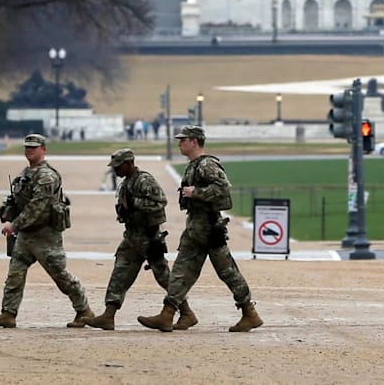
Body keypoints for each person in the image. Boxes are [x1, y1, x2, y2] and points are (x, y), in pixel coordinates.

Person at [137, 125, 262, 333]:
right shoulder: (194, 165)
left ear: (194, 141)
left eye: (183, 139)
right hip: (197, 227)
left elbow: (223, 190)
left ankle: (249, 312)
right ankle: (169, 314)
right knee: (182, 269)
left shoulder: (206, 165)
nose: (179, 143)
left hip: (208, 226)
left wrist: (197, 192)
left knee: (226, 271)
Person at [0, 133, 93, 329]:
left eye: (33, 148)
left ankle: (84, 310)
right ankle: (8, 313)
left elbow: (37, 207)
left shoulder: (46, 176)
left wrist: (14, 225)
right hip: (26, 235)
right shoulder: (26, 174)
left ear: (43, 149)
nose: (29, 151)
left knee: (60, 275)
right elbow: (20, 201)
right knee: (15, 273)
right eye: (27, 147)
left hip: (46, 235)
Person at [86, 149, 193, 331]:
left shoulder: (144, 180)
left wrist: (134, 203)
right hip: (132, 236)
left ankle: (186, 313)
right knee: (120, 272)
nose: (116, 171)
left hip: (149, 236)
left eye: (119, 167)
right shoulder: (127, 182)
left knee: (163, 276)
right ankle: (109, 314)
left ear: (129, 164)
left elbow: (160, 202)